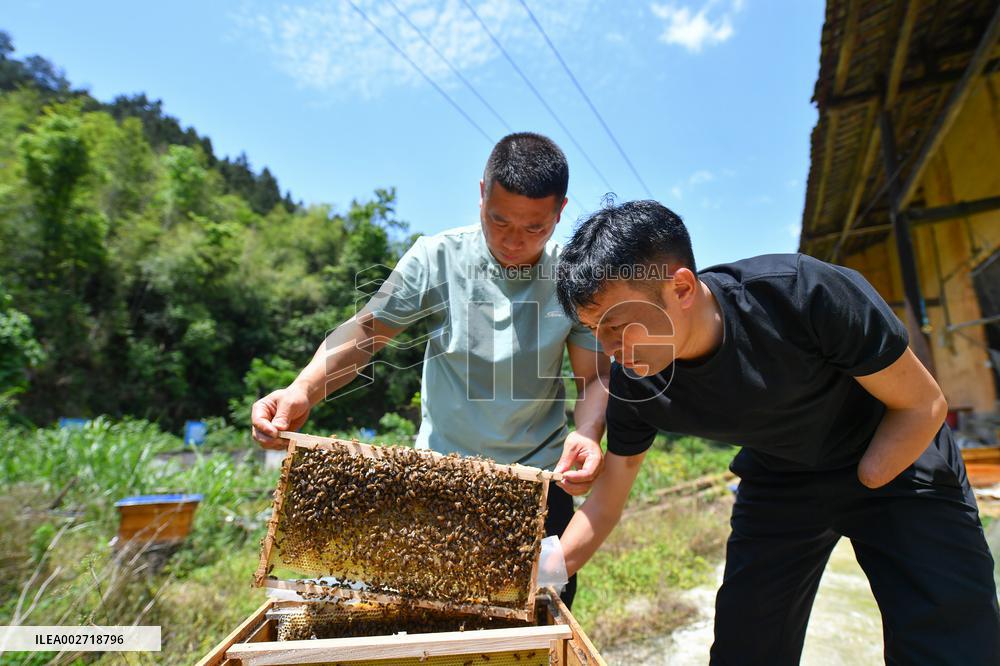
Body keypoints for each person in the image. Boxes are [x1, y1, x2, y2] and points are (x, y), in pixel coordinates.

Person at [552, 199, 1000, 664]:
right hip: (781, 477)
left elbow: (923, 404)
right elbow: (605, 503)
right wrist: (537, 574)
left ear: (681, 288)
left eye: (618, 327)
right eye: (593, 331)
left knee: (951, 647)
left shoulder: (802, 295)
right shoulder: (637, 383)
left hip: (896, 458)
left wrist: (864, 479)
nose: (609, 349)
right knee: (746, 649)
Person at [251, 132, 610, 608]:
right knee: (435, 632)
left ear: (560, 212)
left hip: (540, 489)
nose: (511, 240)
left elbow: (594, 377)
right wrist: (302, 390)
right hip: (441, 485)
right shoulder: (437, 257)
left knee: (535, 636)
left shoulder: (569, 277)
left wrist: (587, 431)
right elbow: (364, 334)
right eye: (498, 220)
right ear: (482, 193)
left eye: (534, 228)